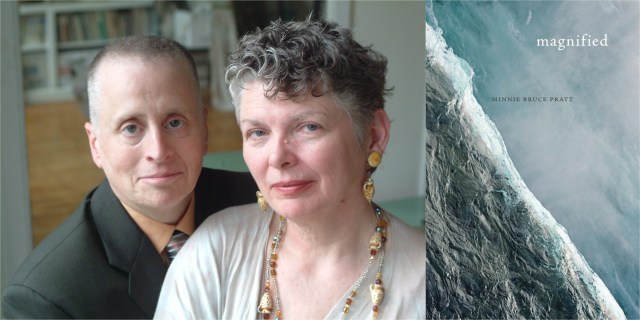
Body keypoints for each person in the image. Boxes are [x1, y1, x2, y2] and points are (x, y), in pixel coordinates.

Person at [155, 19, 425, 319]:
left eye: (308, 127)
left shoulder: (431, 286)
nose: (277, 157)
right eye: (258, 132)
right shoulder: (213, 252)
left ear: (374, 135)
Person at [1, 35, 257, 319]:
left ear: (204, 131)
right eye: (131, 128)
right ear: (95, 144)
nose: (158, 152)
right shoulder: (45, 299)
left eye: (174, 122)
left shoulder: (260, 202)